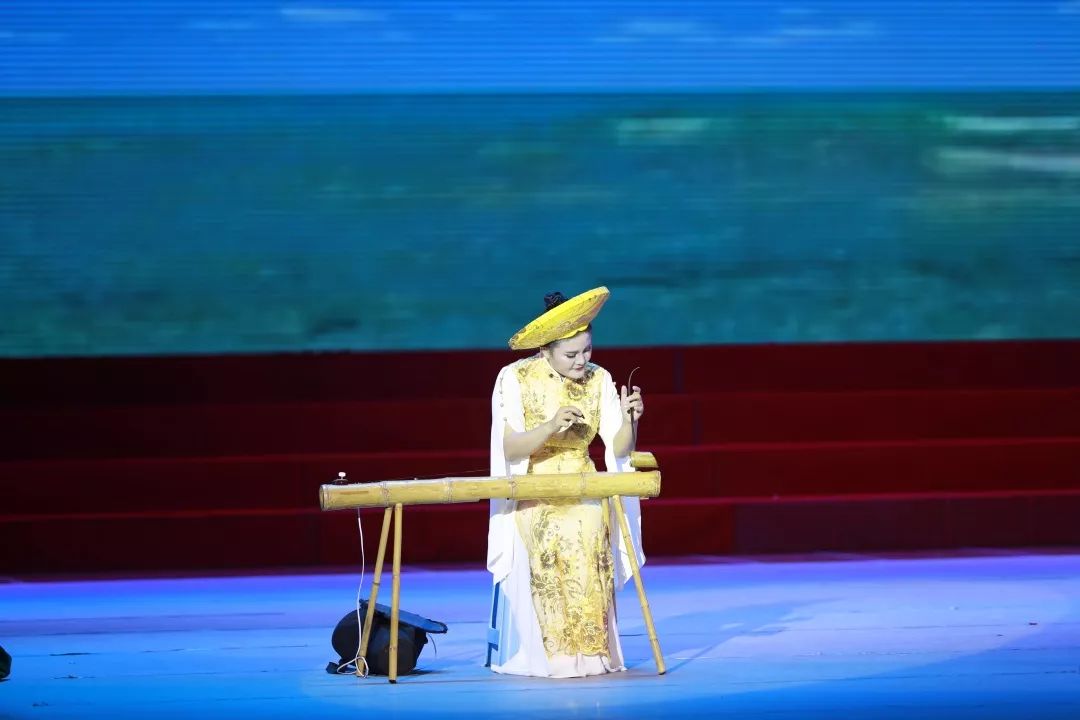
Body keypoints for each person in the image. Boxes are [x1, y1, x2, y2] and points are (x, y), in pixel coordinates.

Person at [487, 286, 646, 678]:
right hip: (534, 486)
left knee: (590, 523)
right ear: (546, 350)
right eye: (571, 354)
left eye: (587, 350)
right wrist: (549, 426)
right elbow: (509, 447)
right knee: (554, 530)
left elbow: (619, 447)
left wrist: (630, 421)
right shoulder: (516, 377)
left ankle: (590, 651)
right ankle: (555, 652)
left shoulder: (599, 379)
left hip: (583, 482)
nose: (582, 361)